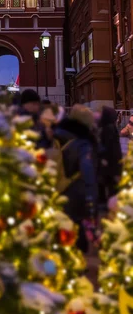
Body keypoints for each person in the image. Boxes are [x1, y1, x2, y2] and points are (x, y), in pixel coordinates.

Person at [53, 104, 98, 252]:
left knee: (63, 230)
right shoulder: (83, 142)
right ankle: (78, 266)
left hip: (58, 188)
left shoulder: (58, 134)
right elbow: (87, 171)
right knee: (78, 233)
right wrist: (92, 200)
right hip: (76, 191)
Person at [98, 106, 122, 202]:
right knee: (113, 186)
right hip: (112, 163)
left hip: (108, 162)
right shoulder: (110, 128)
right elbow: (113, 148)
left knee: (108, 185)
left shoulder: (104, 127)